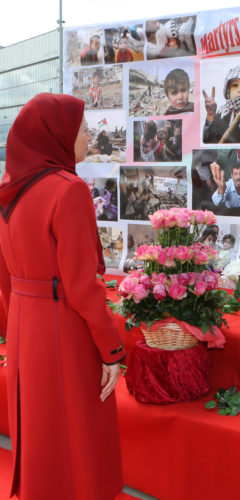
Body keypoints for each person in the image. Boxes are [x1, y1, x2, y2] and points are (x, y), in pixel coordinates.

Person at [0, 93, 124, 499]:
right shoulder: (68, 190)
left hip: (23, 326)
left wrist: (10, 327)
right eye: (83, 130)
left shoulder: (8, 188)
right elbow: (83, 287)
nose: (88, 137)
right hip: (62, 327)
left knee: (37, 430)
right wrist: (112, 349)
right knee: (78, 436)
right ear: (59, 136)